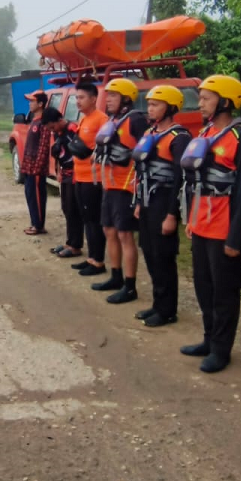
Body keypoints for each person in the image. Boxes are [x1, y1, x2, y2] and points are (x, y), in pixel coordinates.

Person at [180, 75, 241, 371]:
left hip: (224, 227)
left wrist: (235, 237)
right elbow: (195, 183)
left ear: (225, 101)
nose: (200, 104)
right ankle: (209, 338)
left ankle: (221, 349)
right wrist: (191, 219)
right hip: (201, 223)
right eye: (200, 98)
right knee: (204, 286)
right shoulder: (206, 133)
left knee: (224, 291)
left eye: (206, 98)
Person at [131, 85, 191, 327]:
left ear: (171, 107)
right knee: (149, 252)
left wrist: (172, 215)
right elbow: (141, 171)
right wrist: (138, 202)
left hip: (164, 201)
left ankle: (167, 310)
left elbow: (179, 179)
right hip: (147, 201)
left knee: (163, 256)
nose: (150, 108)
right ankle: (158, 304)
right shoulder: (150, 132)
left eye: (156, 104)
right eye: (149, 104)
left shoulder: (180, 138)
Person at [92, 77, 148, 302]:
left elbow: (145, 154)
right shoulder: (113, 120)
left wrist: (140, 190)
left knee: (125, 234)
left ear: (126, 98)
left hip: (127, 186)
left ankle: (130, 286)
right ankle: (115, 276)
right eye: (108, 95)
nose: (108, 99)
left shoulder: (135, 120)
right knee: (109, 230)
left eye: (113, 96)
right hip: (110, 184)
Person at [68, 79, 108, 277]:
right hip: (80, 177)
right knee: (86, 219)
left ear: (93, 99)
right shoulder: (84, 119)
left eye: (82, 97)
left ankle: (98, 261)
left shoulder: (101, 120)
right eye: (76, 97)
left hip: (94, 179)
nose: (78, 101)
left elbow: (104, 148)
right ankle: (91, 257)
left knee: (94, 220)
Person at [45, 109, 83, 259]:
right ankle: (69, 242)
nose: (52, 130)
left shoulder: (73, 130)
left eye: (52, 127)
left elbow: (80, 153)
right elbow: (58, 154)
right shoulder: (58, 133)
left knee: (73, 209)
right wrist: (58, 171)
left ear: (60, 120)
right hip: (65, 173)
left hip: (75, 174)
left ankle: (76, 246)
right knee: (66, 208)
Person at [19, 91, 51, 236]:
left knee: (37, 196)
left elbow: (44, 147)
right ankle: (34, 223)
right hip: (29, 167)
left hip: (36, 168)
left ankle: (38, 225)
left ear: (40, 104)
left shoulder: (43, 122)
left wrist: (38, 167)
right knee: (30, 195)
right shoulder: (34, 120)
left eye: (32, 101)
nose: (30, 104)